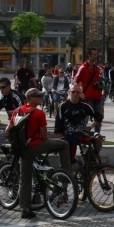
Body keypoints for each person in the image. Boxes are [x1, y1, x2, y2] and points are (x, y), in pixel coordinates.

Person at [11, 88, 71, 219]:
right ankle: (65, 175)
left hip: (23, 149)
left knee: (24, 179)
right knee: (64, 144)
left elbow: (8, 130)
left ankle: (25, 209)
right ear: (30, 98)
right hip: (36, 146)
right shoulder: (39, 113)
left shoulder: (17, 111)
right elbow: (44, 136)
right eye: (38, 96)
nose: (41, 98)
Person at [54, 84, 102, 161]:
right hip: (68, 136)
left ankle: (89, 161)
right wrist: (59, 141)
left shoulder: (85, 106)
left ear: (81, 94)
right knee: (70, 160)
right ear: (69, 92)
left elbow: (99, 117)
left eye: (78, 92)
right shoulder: (63, 106)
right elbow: (58, 125)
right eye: (73, 92)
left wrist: (90, 127)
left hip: (82, 134)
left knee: (98, 139)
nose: (75, 94)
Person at [74, 47, 105, 126]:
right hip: (87, 98)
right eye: (94, 54)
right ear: (89, 55)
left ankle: (97, 132)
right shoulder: (83, 68)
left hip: (98, 97)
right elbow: (74, 82)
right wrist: (80, 93)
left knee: (99, 118)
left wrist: (102, 88)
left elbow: (101, 82)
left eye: (96, 54)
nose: (96, 56)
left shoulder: (98, 68)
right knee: (85, 118)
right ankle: (83, 131)